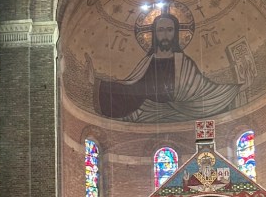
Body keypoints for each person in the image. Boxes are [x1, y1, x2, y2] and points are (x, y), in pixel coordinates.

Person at [92, 12, 248, 122]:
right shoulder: (147, 62)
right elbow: (130, 89)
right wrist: (97, 83)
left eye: (170, 30)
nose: (165, 35)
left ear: (176, 33)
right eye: (160, 30)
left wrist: (234, 89)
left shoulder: (184, 62)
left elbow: (203, 90)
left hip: (183, 111)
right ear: (154, 34)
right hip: (147, 112)